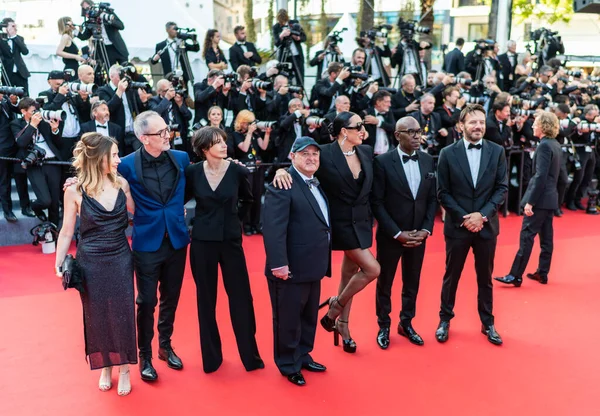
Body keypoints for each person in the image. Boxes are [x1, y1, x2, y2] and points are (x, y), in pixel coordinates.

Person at [274, 112, 379, 353]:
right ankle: (334, 308)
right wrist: (281, 171)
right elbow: (302, 165)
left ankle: (342, 324)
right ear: (344, 131)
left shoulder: (365, 152)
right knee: (373, 269)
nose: (364, 130)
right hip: (340, 224)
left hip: (362, 222)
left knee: (350, 274)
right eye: (358, 126)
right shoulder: (326, 152)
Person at [54, 132, 136, 395]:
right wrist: (59, 262)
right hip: (90, 259)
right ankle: (106, 365)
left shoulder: (122, 184)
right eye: (113, 155)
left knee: (123, 311)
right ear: (98, 157)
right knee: (97, 314)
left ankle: (124, 368)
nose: (118, 160)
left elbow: (137, 214)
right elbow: (67, 231)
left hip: (120, 256)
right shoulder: (75, 191)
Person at [185, 127, 264, 373]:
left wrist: (234, 220)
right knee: (205, 300)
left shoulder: (237, 170)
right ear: (204, 149)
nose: (223, 146)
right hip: (202, 242)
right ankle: (212, 358)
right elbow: (183, 199)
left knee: (241, 297)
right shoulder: (192, 172)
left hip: (231, 242)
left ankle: (250, 357)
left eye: (223, 141)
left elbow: (249, 199)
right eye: (216, 143)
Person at [119, 111, 190, 381]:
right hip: (146, 242)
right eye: (160, 133)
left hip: (176, 239)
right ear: (142, 138)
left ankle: (165, 345)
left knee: (171, 297)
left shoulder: (181, 158)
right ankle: (144, 355)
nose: (166, 135)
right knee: (146, 301)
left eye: (166, 130)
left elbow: (198, 182)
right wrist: (74, 182)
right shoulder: (125, 165)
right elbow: (102, 179)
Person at [435, 104, 508, 345]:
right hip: (458, 226)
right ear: (460, 126)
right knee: (451, 275)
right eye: (472, 122)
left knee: (485, 277)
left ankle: (488, 323)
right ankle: (444, 319)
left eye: (481, 122)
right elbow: (443, 192)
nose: (478, 126)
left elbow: (501, 188)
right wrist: (466, 217)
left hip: (486, 226)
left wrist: (482, 215)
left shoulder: (497, 151)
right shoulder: (447, 153)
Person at [263, 136, 331, 386]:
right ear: (292, 156)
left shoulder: (316, 182)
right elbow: (273, 229)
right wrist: (279, 264)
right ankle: (287, 363)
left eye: (315, 154)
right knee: (288, 319)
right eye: (305, 154)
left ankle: (302, 355)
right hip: (289, 268)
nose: (311, 158)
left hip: (313, 264)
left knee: (308, 317)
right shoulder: (283, 183)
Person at [371, 116, 437, 349]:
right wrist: (397, 233)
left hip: (419, 235)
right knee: (385, 282)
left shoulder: (429, 161)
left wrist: (426, 230)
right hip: (391, 236)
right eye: (411, 132)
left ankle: (406, 322)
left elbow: (431, 199)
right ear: (397, 135)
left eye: (419, 131)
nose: (417, 136)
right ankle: (383, 325)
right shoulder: (383, 162)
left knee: (412, 281)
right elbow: (376, 203)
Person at [495, 112, 562, 287]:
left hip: (539, 199)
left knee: (527, 236)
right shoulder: (555, 145)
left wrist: (530, 202)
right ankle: (542, 272)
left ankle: (515, 275)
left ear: (543, 126)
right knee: (546, 238)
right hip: (549, 198)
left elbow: (540, 176)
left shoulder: (544, 146)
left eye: (536, 123)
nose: (532, 126)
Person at [10, 98, 63, 224]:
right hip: (34, 164)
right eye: (33, 111)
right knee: (45, 200)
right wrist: (32, 125)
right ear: (23, 111)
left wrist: (55, 130)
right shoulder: (16, 123)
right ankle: (35, 206)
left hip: (52, 162)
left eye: (37, 110)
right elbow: (21, 143)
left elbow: (58, 144)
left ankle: (53, 231)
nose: (37, 113)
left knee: (54, 203)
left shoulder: (43, 122)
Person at [231, 110, 271, 235]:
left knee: (258, 196)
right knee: (247, 197)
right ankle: (246, 224)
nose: (252, 125)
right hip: (246, 168)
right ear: (242, 123)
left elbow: (264, 147)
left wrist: (267, 134)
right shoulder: (236, 134)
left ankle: (256, 223)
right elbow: (244, 148)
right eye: (249, 122)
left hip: (258, 167)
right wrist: (249, 133)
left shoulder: (256, 133)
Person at [0, 92, 33, 222]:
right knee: (4, 181)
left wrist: (13, 102)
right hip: (2, 148)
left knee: (21, 178)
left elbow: (18, 110)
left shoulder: (5, 100)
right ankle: (7, 210)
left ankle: (25, 207)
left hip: (16, 145)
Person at [78, 0, 128, 66]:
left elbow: (121, 26)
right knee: (111, 72)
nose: (88, 10)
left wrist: (110, 20)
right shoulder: (90, 21)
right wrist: (74, 31)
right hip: (105, 50)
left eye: (88, 8)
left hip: (118, 47)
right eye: (85, 9)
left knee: (126, 70)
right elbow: (84, 36)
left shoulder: (106, 13)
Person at [272, 9, 306, 86]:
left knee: (300, 77)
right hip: (285, 56)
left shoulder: (294, 23)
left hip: (297, 55)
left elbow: (304, 37)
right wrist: (281, 35)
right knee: (284, 78)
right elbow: (276, 43)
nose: (283, 22)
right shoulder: (276, 27)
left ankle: (300, 93)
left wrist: (297, 38)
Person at [0, 18, 31, 95]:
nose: (15, 28)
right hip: (8, 71)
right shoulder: (1, 38)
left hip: (20, 72)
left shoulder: (19, 38)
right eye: (12, 26)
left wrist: (14, 37)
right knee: (7, 94)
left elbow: (25, 51)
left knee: (24, 94)